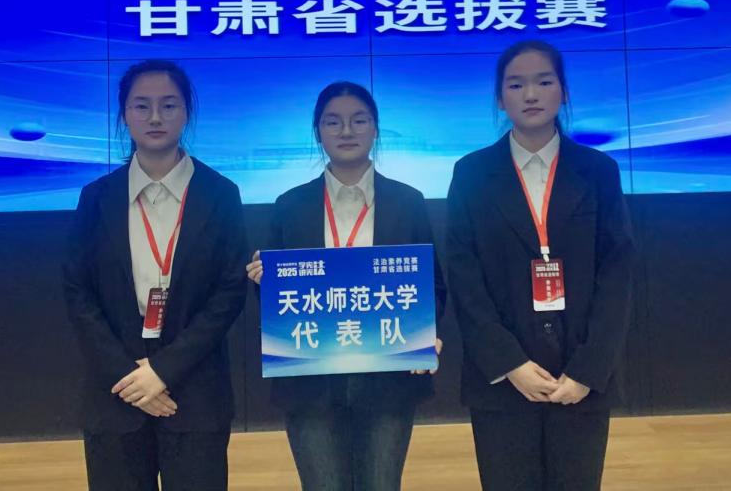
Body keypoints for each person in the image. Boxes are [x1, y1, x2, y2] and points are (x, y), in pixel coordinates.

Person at [446, 41, 634, 491]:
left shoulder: (598, 171)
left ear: (563, 92)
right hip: (502, 380)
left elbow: (617, 273)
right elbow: (464, 276)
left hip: (579, 376)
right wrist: (510, 363)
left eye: (543, 82)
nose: (530, 94)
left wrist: (589, 368)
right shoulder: (471, 174)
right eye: (516, 85)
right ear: (500, 98)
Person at [246, 81, 447, 491]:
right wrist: (262, 279)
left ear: (375, 128)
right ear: (318, 131)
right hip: (310, 381)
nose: (346, 131)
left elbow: (433, 285)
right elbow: (276, 302)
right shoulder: (290, 205)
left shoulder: (408, 201)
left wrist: (427, 331)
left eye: (359, 120)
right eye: (332, 122)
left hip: (388, 378)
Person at [64, 59, 247, 491]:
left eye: (169, 105)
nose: (155, 117)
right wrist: (129, 377)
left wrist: (162, 371)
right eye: (141, 106)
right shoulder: (96, 198)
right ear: (124, 115)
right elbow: (77, 291)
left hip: (196, 391)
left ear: (186, 113)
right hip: (116, 394)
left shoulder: (220, 194)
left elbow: (229, 292)